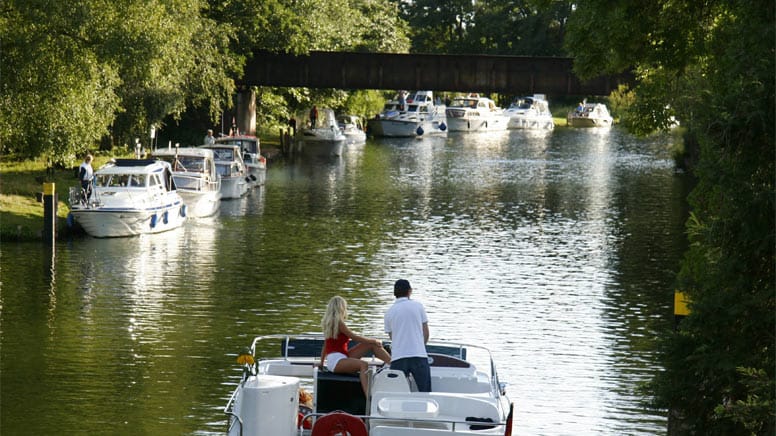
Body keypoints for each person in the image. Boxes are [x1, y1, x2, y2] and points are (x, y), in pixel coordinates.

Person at [321, 296, 391, 394]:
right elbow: (354, 337)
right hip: (336, 361)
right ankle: (369, 397)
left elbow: (325, 345)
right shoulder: (339, 323)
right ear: (341, 307)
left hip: (340, 358)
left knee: (370, 345)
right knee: (364, 364)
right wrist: (373, 340)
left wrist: (321, 363)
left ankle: (392, 364)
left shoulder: (329, 323)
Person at [384, 279, 431, 392]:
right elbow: (426, 332)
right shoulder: (418, 306)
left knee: (396, 393)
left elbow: (392, 338)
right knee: (425, 392)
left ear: (395, 293)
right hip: (418, 355)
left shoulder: (389, 312)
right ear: (410, 291)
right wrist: (420, 345)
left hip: (398, 358)